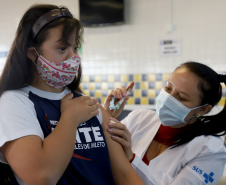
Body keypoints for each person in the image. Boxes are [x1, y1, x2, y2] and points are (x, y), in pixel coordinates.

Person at [0, 4, 144, 185]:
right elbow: (41, 176)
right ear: (32, 53)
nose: (72, 59)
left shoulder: (88, 105)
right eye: (62, 49)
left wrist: (106, 112)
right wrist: (69, 119)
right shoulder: (14, 103)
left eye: (75, 48)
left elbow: (125, 175)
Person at [105, 61, 226, 185]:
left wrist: (131, 159)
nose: (168, 98)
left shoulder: (209, 150)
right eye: (168, 88)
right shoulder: (139, 118)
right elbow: (99, 159)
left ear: (203, 109)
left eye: (182, 97)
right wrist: (107, 117)